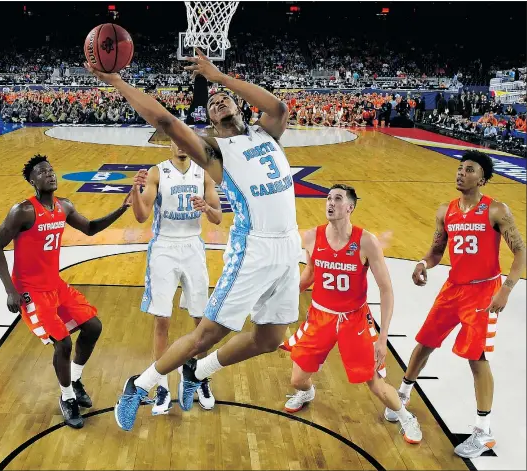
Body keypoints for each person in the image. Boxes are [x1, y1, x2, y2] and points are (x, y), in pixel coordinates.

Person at [85, 48, 301, 432]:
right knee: (208, 333)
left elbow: (279, 107)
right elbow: (165, 121)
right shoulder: (214, 152)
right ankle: (138, 385)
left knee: (270, 338)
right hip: (254, 246)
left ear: (239, 105)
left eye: (224, 99)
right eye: (213, 104)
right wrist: (117, 82)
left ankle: (197, 372)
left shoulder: (267, 132)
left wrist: (220, 78)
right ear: (209, 122)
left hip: (288, 245)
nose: (218, 101)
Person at [384, 151, 526, 458]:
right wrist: (423, 262)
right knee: (424, 342)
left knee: (476, 357)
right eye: (460, 168)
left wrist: (506, 289)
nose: (461, 173)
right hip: (453, 288)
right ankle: (403, 395)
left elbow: (521, 253)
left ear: (483, 179)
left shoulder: (496, 210)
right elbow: (437, 251)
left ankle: (484, 432)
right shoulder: (445, 211)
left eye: (469, 169)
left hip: (482, 292)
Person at [0, 154, 132, 429]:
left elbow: (90, 229)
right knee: (63, 343)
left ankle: (75, 380)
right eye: (42, 172)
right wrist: (10, 291)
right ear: (33, 181)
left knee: (93, 326)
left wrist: (121, 209)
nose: (50, 175)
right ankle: (67, 398)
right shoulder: (23, 211)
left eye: (52, 170)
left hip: (55, 284)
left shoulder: (64, 206)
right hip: (31, 291)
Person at [280, 184, 422, 444]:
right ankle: (308, 392)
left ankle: (405, 417)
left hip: (354, 319)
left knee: (374, 382)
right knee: (297, 379)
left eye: (337, 198)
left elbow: (386, 290)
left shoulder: (366, 241)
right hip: (320, 316)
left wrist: (382, 338)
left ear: (350, 207)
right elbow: (310, 273)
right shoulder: (313, 237)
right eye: (328, 198)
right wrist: (284, 299)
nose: (330, 203)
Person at [130, 141, 222, 415]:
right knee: (162, 320)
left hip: (193, 245)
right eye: (176, 142)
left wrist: (206, 208)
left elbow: (217, 218)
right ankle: (161, 386)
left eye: (186, 143)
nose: (181, 147)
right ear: (169, 144)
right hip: (164, 248)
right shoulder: (157, 172)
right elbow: (141, 215)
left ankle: (199, 377)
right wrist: (135, 192)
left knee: (201, 321)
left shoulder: (203, 172)